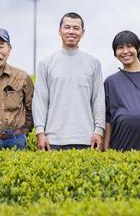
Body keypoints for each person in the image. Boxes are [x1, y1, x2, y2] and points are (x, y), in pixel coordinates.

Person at [33, 12, 105, 151]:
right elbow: (40, 100)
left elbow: (98, 100)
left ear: (82, 33)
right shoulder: (46, 63)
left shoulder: (93, 63)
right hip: (53, 139)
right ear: (59, 31)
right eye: (67, 27)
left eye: (76, 28)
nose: (71, 31)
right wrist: (40, 132)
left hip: (86, 138)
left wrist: (99, 131)